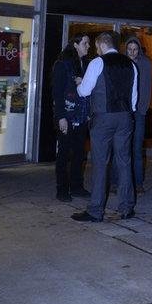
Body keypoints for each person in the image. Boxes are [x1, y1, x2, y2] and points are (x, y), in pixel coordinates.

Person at [71, 31, 138, 222]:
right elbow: (134, 96)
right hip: (125, 117)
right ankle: (126, 208)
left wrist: (79, 84)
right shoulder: (130, 64)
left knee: (100, 163)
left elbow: (84, 92)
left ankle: (95, 210)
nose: (95, 50)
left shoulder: (97, 63)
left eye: (96, 47)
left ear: (101, 45)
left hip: (103, 118)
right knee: (124, 162)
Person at [52, 33, 91, 201]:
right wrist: (60, 117)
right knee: (64, 153)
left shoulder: (86, 64)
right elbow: (57, 92)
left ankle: (77, 186)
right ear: (75, 45)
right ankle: (62, 189)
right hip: (66, 116)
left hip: (81, 116)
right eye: (85, 43)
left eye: (88, 43)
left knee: (79, 153)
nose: (88, 46)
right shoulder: (62, 64)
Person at [125, 36, 152, 193]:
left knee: (136, 147)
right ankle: (117, 181)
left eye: (135, 50)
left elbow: (146, 87)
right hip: (124, 111)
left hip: (139, 112)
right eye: (129, 49)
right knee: (121, 147)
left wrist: (142, 109)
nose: (132, 52)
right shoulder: (123, 62)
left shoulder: (145, 63)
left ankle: (138, 182)